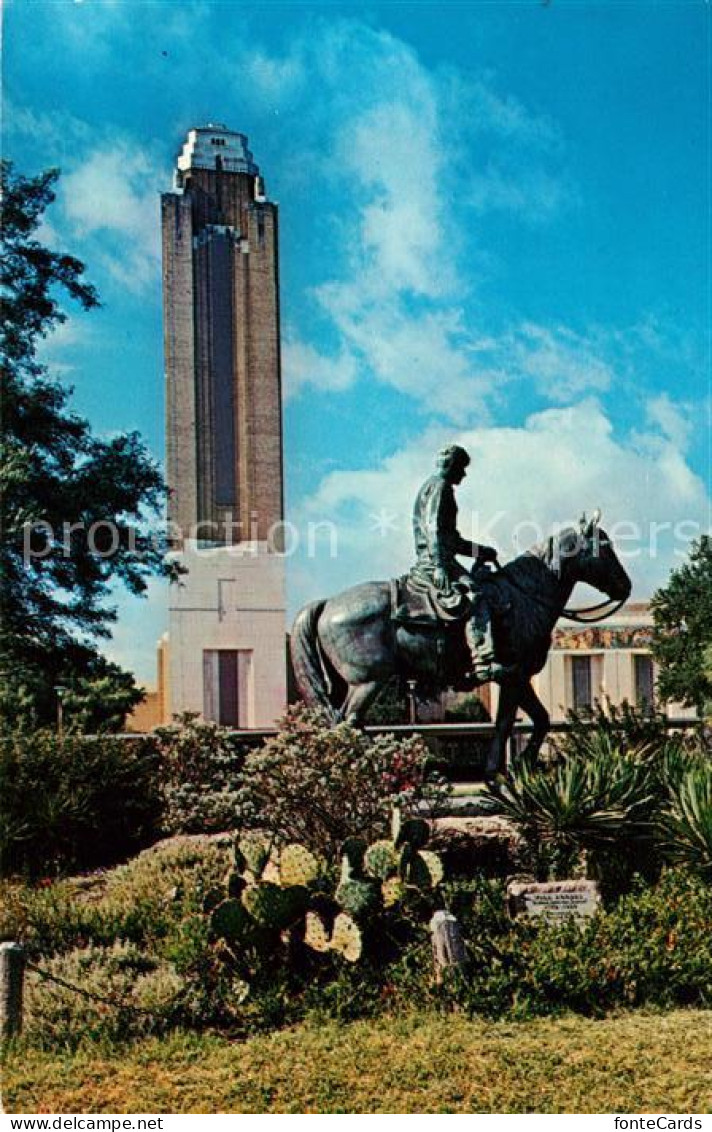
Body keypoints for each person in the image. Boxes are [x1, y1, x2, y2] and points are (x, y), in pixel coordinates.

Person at [410, 444, 510, 682]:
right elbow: (433, 530)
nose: (464, 475)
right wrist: (439, 566)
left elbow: (451, 539)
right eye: (462, 468)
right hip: (437, 562)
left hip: (440, 558)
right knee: (475, 594)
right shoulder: (440, 487)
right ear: (452, 466)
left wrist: (479, 551)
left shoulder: (431, 486)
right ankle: (482, 660)